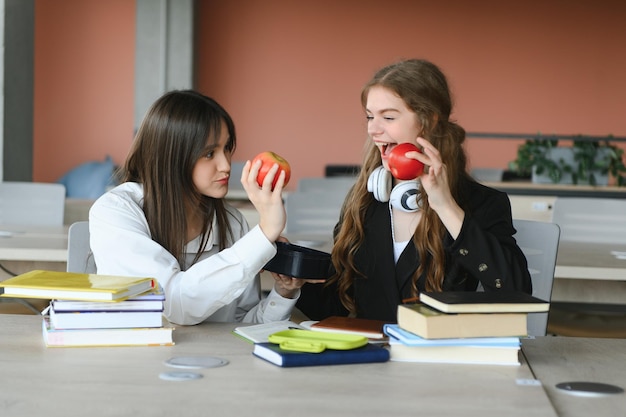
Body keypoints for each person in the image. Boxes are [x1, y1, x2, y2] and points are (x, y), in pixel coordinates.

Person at [296, 59, 532, 322]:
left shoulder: (482, 203)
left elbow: (514, 294)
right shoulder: (364, 199)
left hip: (440, 358)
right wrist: (293, 284)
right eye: (369, 116)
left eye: (388, 117)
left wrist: (446, 207)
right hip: (372, 359)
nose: (373, 129)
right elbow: (337, 306)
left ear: (428, 122)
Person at [90, 90, 321, 325]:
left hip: (218, 359)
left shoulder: (232, 222)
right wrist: (264, 234)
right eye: (209, 153)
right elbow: (173, 303)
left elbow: (242, 323)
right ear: (172, 156)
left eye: (227, 148)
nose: (226, 165)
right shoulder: (116, 211)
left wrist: (284, 292)